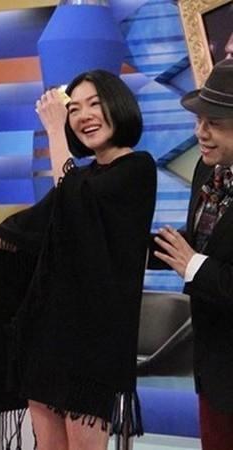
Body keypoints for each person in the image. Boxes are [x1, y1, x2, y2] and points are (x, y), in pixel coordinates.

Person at [0, 70, 157, 450]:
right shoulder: (79, 180)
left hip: (94, 341)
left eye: (94, 104)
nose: (84, 116)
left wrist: (55, 131)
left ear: (119, 104)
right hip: (47, 335)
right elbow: (15, 235)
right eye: (73, 109)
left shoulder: (137, 169)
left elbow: (77, 200)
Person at [150, 58, 233, 450]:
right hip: (213, 370)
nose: (200, 133)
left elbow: (198, 260)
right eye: (199, 120)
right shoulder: (206, 169)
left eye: (213, 123)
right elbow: (203, 241)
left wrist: (193, 265)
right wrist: (135, 249)